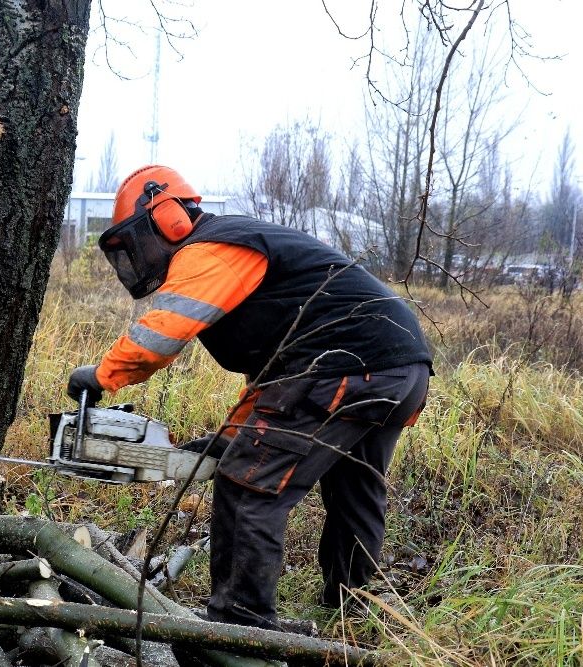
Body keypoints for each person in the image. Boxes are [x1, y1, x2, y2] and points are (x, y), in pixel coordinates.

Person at [66, 165, 432, 630]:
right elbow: (276, 378)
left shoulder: (211, 249)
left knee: (246, 488)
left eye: (137, 241)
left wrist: (101, 376)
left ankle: (240, 626)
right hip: (398, 370)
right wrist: (230, 437)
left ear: (169, 216)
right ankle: (354, 609)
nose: (138, 256)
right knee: (353, 489)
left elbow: (161, 335)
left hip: (344, 370)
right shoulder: (241, 246)